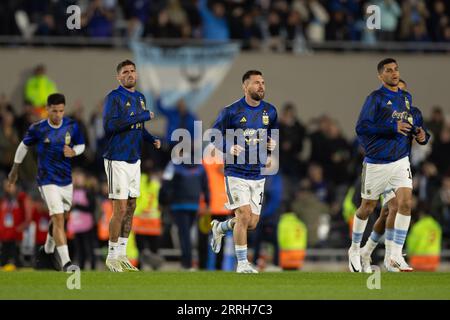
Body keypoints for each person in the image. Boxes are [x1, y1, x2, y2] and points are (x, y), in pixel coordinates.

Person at [348, 58, 430, 273]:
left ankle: (394, 255)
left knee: (403, 204)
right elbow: (361, 127)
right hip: (377, 163)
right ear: (380, 76)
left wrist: (422, 136)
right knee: (368, 208)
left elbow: (416, 129)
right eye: (389, 70)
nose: (394, 73)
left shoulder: (407, 99)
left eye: (396, 69)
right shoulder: (375, 98)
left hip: (400, 161)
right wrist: (393, 126)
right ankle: (356, 250)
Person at [209, 70, 278, 273]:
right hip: (235, 171)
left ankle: (220, 228)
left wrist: (271, 145)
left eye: (263, 82)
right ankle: (242, 264)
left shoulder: (270, 111)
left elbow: (271, 135)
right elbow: (214, 135)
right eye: (256, 83)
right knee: (243, 214)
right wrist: (229, 147)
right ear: (245, 86)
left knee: (252, 222)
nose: (261, 86)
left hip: (257, 173)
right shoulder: (231, 111)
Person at [8, 93, 86, 271]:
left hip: (66, 180)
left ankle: (48, 249)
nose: (58, 115)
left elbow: (82, 144)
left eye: (61, 111)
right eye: (54, 111)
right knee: (58, 218)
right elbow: (24, 145)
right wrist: (15, 168)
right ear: (47, 109)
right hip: (47, 180)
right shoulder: (38, 128)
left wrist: (74, 152)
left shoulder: (71, 125)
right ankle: (66, 263)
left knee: (62, 218)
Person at [102, 59, 161, 272]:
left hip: (134, 158)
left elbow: (137, 127)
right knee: (119, 209)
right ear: (119, 77)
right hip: (116, 158)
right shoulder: (114, 97)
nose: (130, 74)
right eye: (125, 72)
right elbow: (109, 127)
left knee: (131, 207)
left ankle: (121, 254)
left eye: (133, 71)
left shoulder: (140, 98)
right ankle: (111, 256)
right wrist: (142, 115)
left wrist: (150, 138)